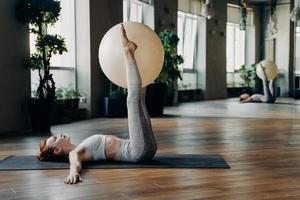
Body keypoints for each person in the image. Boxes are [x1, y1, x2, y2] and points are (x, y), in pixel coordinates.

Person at [38, 24, 157, 184]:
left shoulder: (81, 146)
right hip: (138, 151)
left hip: (140, 147)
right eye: (55, 138)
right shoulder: (75, 153)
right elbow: (75, 164)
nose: (59, 135)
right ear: (58, 149)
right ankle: (128, 51)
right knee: (133, 99)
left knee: (140, 96)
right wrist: (73, 173)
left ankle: (132, 56)